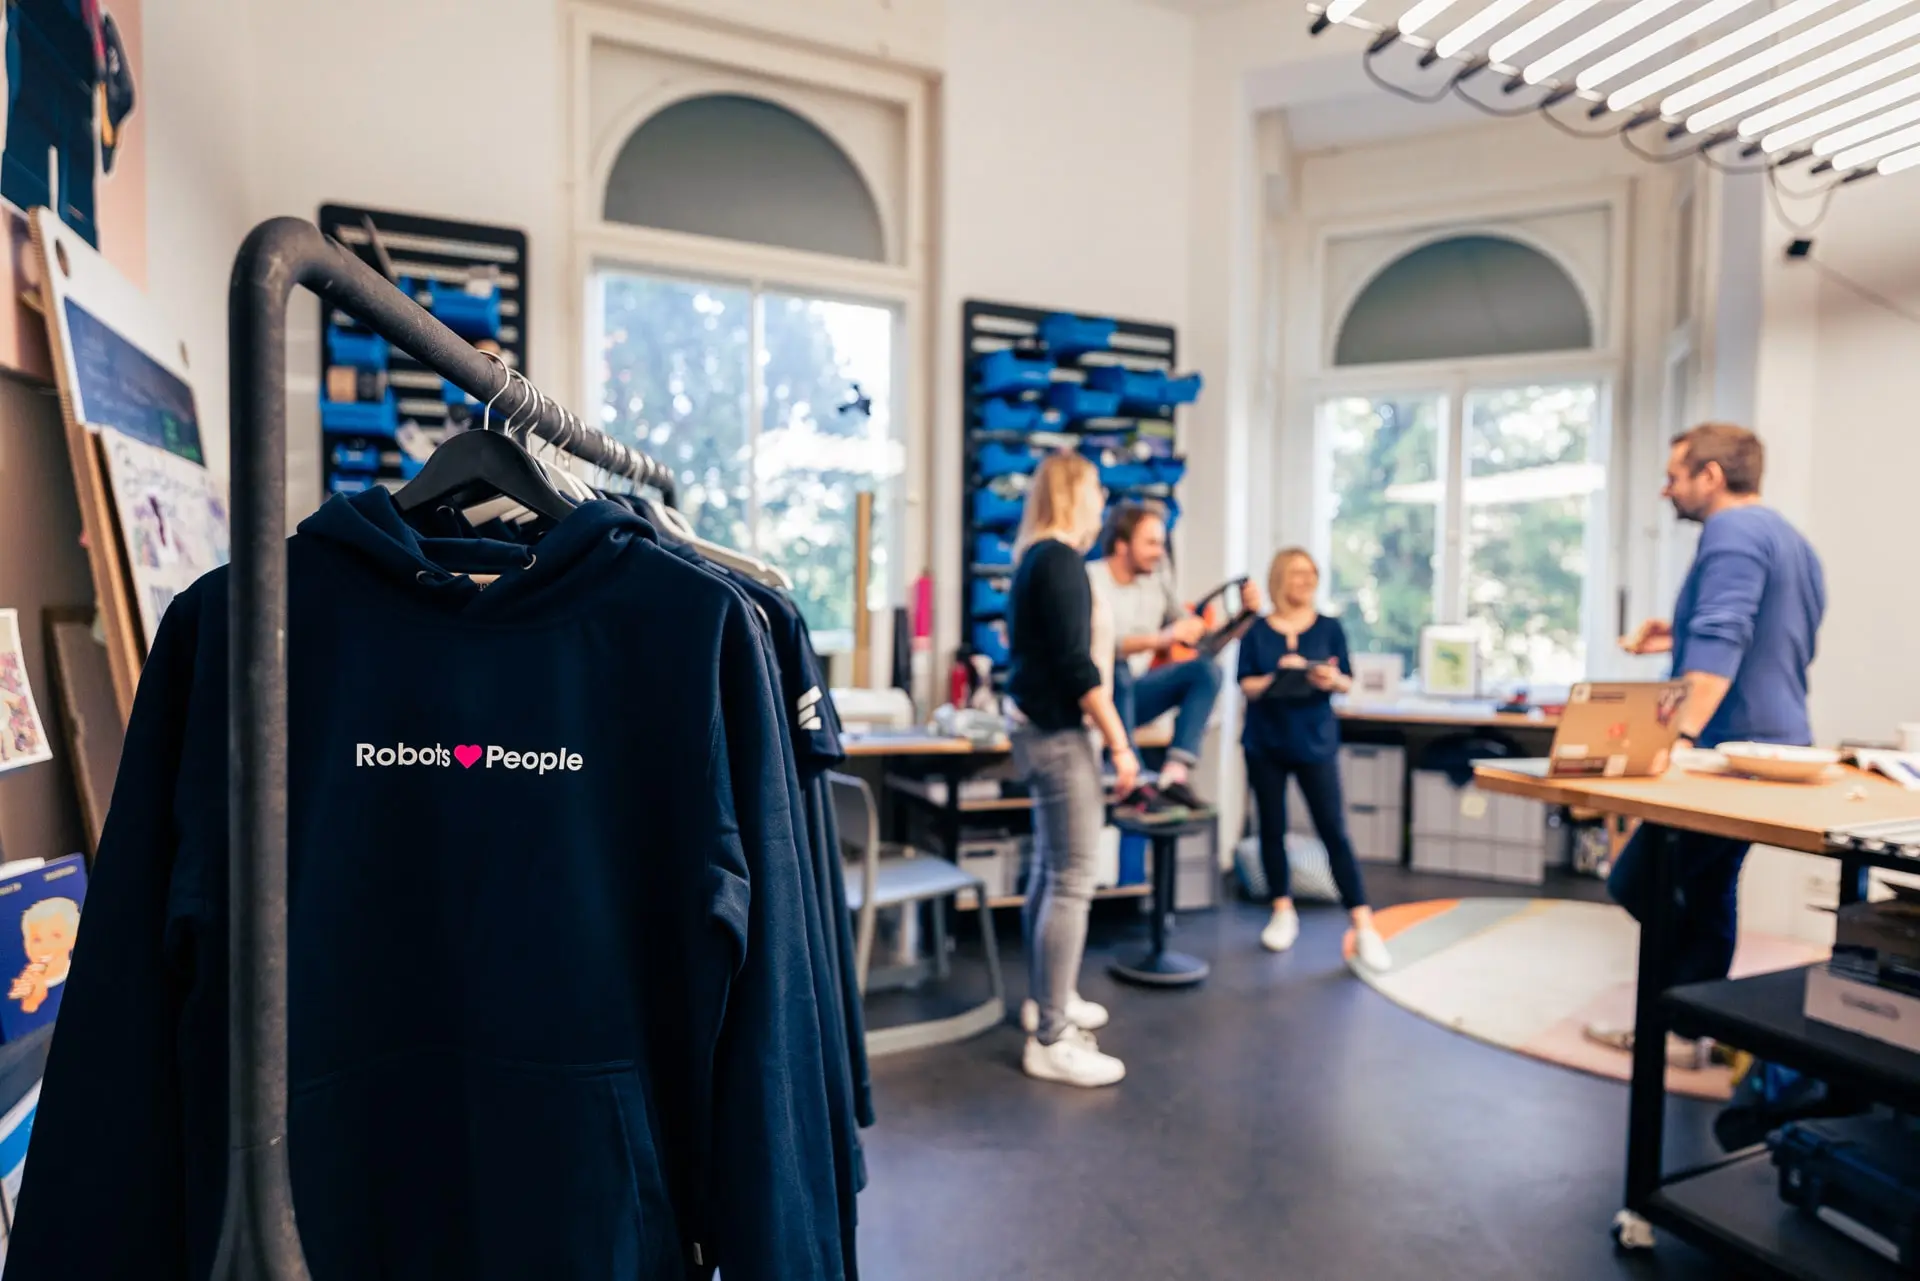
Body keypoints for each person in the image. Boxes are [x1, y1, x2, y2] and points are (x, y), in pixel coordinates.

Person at [1588, 423, 1825, 1063]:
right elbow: (1772, 632)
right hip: (1781, 742)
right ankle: (1696, 1029)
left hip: (1729, 754)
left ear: (1711, 476)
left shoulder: (1732, 532)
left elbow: (1725, 637)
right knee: (1710, 888)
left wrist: (1679, 740)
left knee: (1640, 881)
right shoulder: (1791, 541)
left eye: (1674, 476)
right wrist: (1678, 633)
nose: (1666, 490)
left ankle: (1674, 1023)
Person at [1005, 451, 1139, 1088]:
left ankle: (1047, 999)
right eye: (1096, 489)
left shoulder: (1037, 557)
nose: (1103, 500)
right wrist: (1121, 744)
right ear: (1073, 494)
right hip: (1060, 737)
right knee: (1073, 878)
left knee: (1050, 870)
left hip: (1040, 733)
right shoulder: (1058, 559)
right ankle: (1053, 1037)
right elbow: (1078, 668)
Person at [1237, 548, 1393, 971]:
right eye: (1296, 573)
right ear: (1279, 579)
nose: (1305, 581)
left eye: (1311, 573)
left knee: (1334, 831)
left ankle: (1363, 925)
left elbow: (1347, 681)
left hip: (1315, 741)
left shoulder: (1329, 628)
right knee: (1271, 828)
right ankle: (1282, 910)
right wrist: (1278, 677)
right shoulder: (1256, 631)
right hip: (1266, 742)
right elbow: (1246, 684)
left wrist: (1330, 678)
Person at [1088, 502, 1257, 811]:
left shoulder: (1155, 583)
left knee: (1206, 671)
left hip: (1135, 696)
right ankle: (1134, 778)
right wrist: (1161, 638)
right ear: (1122, 545)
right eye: (1151, 543)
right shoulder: (1090, 580)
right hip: (1098, 698)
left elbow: (1202, 643)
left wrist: (1243, 618)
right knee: (1119, 668)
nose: (1159, 553)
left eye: (1161, 544)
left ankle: (1175, 775)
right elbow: (1090, 649)